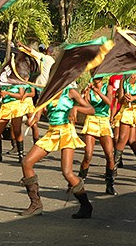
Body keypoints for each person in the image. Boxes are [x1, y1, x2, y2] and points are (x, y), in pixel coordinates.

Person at [20, 85, 95, 219]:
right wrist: (32, 120)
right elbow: (38, 115)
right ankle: (36, 204)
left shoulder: (70, 92)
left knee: (67, 172)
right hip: (51, 132)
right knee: (27, 162)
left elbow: (91, 109)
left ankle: (86, 205)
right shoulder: (47, 94)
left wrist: (76, 108)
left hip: (66, 131)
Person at [78, 77, 117, 195]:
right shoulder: (89, 88)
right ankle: (79, 183)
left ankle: (109, 185)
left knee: (110, 155)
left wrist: (98, 91)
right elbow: (87, 106)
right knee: (88, 155)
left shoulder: (108, 87)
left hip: (104, 120)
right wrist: (85, 95)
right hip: (92, 120)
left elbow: (109, 102)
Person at [0, 83, 28, 164]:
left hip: (16, 106)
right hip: (5, 107)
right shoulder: (3, 83)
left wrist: (8, 93)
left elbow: (21, 95)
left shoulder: (18, 83)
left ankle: (21, 155)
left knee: (17, 131)